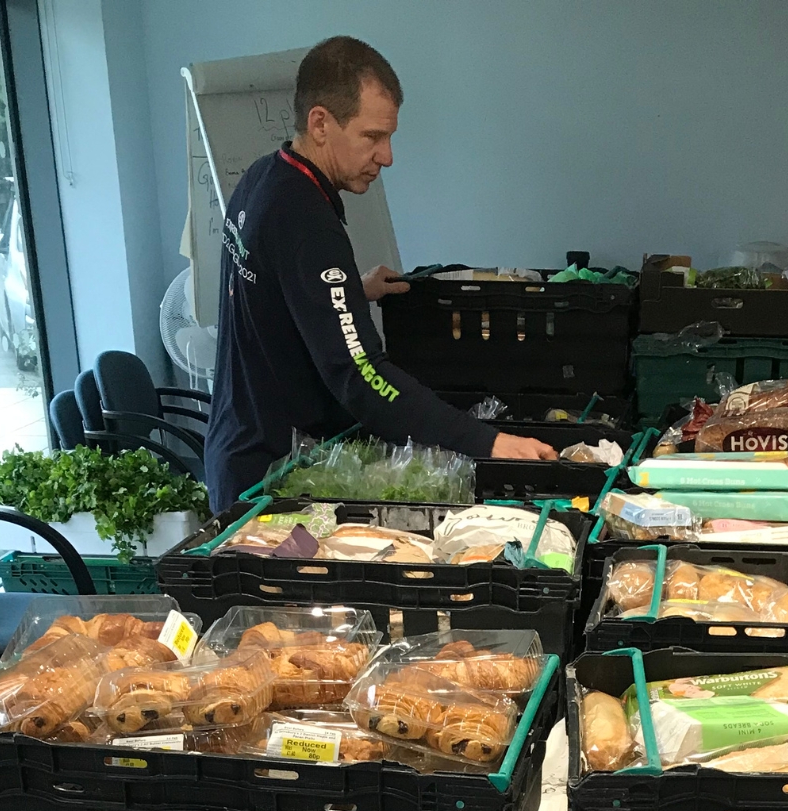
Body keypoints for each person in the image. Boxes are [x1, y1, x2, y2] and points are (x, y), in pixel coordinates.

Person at [204, 36, 556, 510]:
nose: (386, 156)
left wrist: (349, 291)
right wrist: (485, 441)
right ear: (321, 123)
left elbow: (272, 293)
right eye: (372, 137)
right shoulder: (305, 218)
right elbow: (362, 375)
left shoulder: (263, 177)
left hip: (234, 441)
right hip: (268, 478)